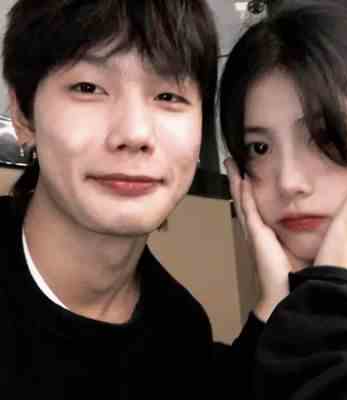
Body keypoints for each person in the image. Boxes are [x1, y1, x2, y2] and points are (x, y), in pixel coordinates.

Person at [0, 0, 264, 397]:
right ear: (23, 115)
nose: (135, 133)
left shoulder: (179, 331)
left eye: (169, 96)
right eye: (88, 88)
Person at [220, 1, 347, 398]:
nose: (289, 182)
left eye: (324, 137)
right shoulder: (274, 323)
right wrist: (274, 308)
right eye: (259, 148)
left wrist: (335, 298)